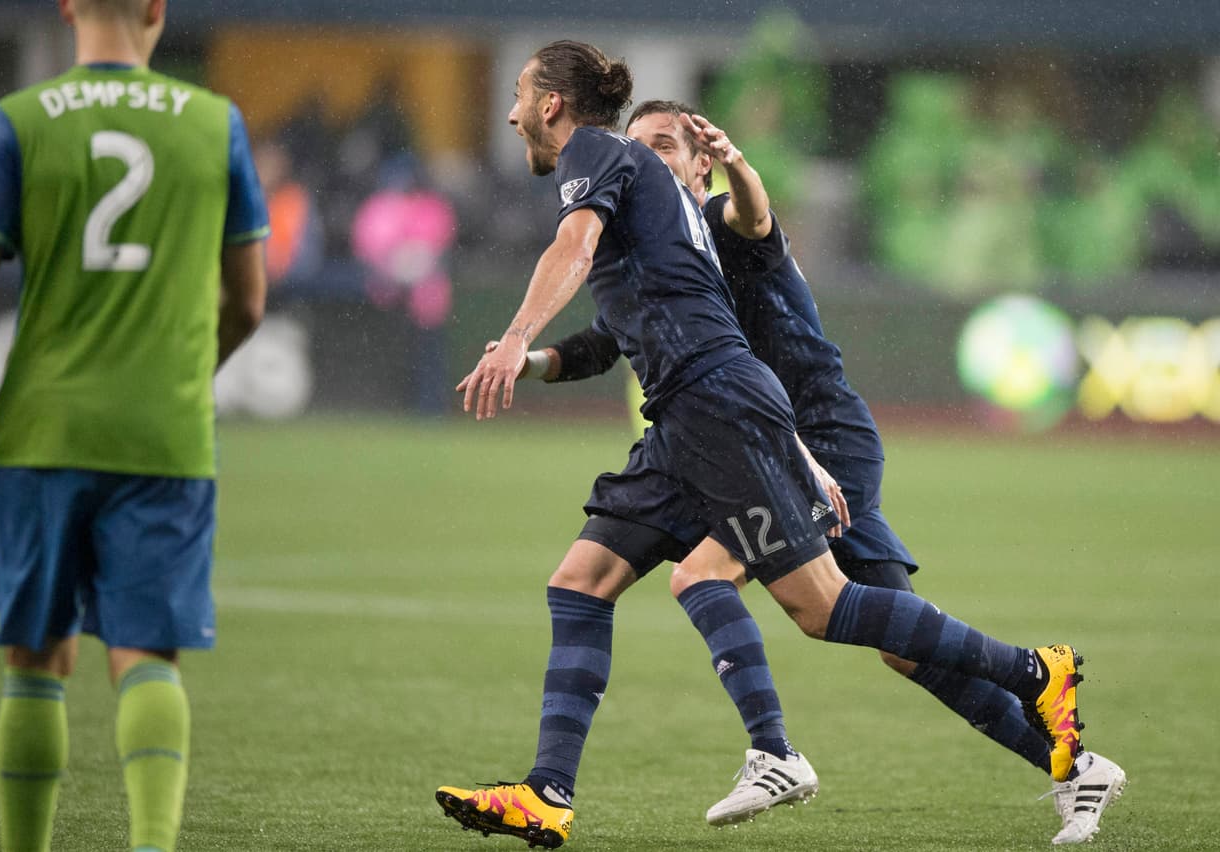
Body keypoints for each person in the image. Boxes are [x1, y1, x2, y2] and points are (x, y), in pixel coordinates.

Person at [437, 40, 1085, 850]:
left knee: (824, 610)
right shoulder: (661, 210)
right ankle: (548, 791)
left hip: (729, 411)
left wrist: (512, 335)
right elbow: (612, 336)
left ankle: (1029, 673)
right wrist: (528, 361)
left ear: (554, 105)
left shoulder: (613, 163)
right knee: (581, 581)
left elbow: (582, 250)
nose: (510, 113)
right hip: (697, 419)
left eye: (521, 95)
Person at [0, 1, 268, 850]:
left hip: (42, 427)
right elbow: (248, 301)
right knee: (147, 654)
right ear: (157, 8)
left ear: (68, 6)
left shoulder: (15, 121)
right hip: (164, 433)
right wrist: (184, 375)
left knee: (37, 657)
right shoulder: (214, 122)